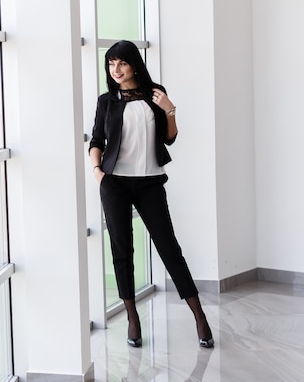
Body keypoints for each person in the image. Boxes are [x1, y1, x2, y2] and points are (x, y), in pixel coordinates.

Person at [89, 40, 214, 348]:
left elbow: (169, 138)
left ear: (134, 64)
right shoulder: (107, 101)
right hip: (114, 183)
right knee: (122, 251)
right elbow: (96, 140)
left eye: (121, 63)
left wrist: (169, 110)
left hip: (150, 182)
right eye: (111, 64)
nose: (115, 70)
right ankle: (132, 318)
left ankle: (199, 316)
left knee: (169, 247)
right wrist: (98, 172)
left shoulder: (155, 94)